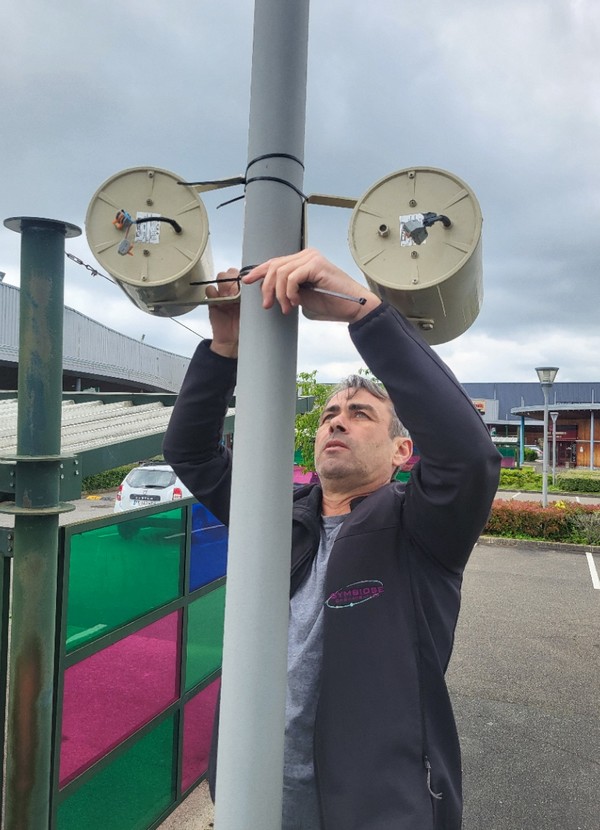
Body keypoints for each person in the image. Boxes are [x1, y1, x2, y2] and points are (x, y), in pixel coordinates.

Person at [163, 249, 501, 830]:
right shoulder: (275, 515)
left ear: (402, 451)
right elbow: (190, 453)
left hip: (378, 809)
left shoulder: (422, 527)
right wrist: (225, 348)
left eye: (362, 414)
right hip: (256, 797)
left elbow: (469, 456)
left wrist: (362, 312)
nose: (337, 420)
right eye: (329, 414)